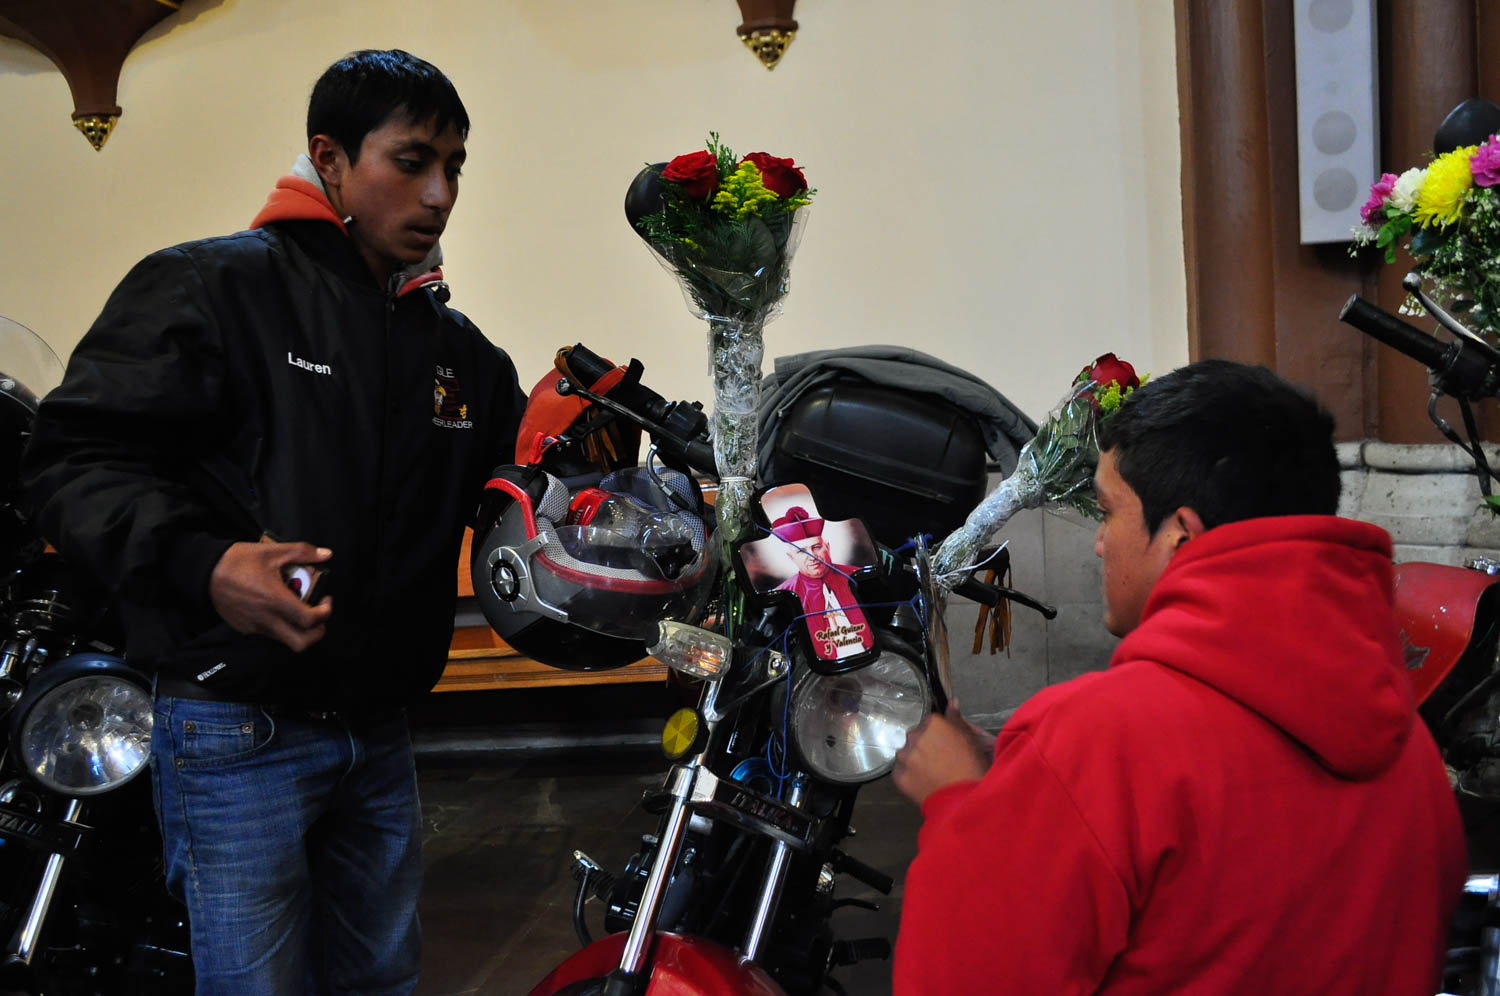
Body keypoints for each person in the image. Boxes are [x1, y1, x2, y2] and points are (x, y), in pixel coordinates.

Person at [20, 49, 527, 995]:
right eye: (411, 161)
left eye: (456, 167)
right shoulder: (209, 289)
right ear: (328, 158)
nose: (440, 192)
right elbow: (71, 463)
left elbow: (506, 490)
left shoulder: (457, 354)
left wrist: (584, 481)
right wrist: (207, 564)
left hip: (378, 730)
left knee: (379, 981)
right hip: (232, 725)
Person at [890, 360, 1466, 994]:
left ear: (1181, 537)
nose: (1099, 544)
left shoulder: (1096, 742)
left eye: (1108, 513)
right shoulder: (1412, 753)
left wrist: (961, 808)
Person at [770, 505, 875, 659]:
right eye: (801, 551)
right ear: (791, 557)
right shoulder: (784, 593)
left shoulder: (855, 574)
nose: (812, 556)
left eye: (817, 547)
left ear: (828, 547)